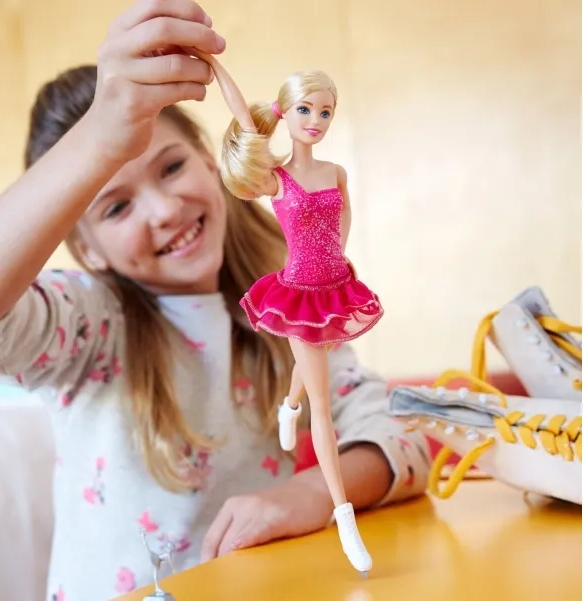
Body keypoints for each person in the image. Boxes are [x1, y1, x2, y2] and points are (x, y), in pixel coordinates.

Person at [0, 1, 431, 599]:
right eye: (117, 207)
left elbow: (399, 435)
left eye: (171, 167)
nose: (165, 209)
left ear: (207, 159)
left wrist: (311, 494)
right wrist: (98, 138)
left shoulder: (281, 311)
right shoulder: (88, 326)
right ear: (86, 248)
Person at [186, 50, 384, 575]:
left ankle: (287, 406)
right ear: (287, 112)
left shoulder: (336, 172)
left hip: (335, 284)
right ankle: (344, 516)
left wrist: (341, 260)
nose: (316, 121)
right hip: (297, 291)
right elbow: (242, 119)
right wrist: (214, 66)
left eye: (325, 112)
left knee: (313, 361)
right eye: (306, 110)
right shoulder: (276, 177)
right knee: (324, 402)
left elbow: (343, 219)